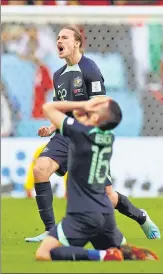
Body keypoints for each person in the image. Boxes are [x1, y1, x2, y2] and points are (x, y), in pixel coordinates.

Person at [25, 26, 160, 243]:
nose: (59, 41)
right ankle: (51, 230)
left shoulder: (90, 69)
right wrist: (52, 127)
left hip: (86, 138)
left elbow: (99, 106)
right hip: (65, 133)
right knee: (41, 169)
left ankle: (141, 216)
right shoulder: (58, 75)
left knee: (107, 196)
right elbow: (62, 107)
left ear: (77, 43)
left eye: (65, 37)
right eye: (58, 37)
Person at [35, 97, 158, 262]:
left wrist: (82, 104)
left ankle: (102, 255)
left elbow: (48, 107)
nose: (91, 107)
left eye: (96, 108)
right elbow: (85, 117)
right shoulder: (108, 135)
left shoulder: (80, 133)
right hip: (106, 213)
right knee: (119, 248)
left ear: (95, 118)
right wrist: (86, 111)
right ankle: (127, 252)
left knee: (44, 253)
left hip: (82, 214)